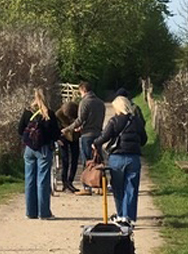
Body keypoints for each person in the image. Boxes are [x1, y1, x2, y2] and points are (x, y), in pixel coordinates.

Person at [93, 94, 147, 222]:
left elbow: (104, 137)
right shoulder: (137, 121)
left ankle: (121, 215)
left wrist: (95, 143)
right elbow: (144, 139)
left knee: (118, 188)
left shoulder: (114, 121)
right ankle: (130, 218)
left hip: (117, 157)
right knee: (131, 189)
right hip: (133, 157)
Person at [18, 88, 61, 219]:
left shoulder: (27, 112)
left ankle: (30, 212)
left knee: (29, 179)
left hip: (29, 149)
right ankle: (44, 213)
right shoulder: (49, 114)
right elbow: (55, 133)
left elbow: (20, 130)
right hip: (43, 149)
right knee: (42, 180)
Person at [61, 81, 105, 194]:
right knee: (97, 159)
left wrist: (68, 129)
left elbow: (80, 120)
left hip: (87, 135)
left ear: (83, 90)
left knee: (87, 161)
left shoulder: (84, 102)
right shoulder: (100, 103)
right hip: (98, 133)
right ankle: (99, 184)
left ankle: (87, 186)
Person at [55, 101, 80, 192]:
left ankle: (70, 181)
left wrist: (79, 128)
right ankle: (64, 182)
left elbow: (81, 121)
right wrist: (58, 138)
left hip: (75, 136)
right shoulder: (58, 115)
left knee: (75, 159)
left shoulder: (78, 112)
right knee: (65, 159)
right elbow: (56, 127)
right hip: (63, 137)